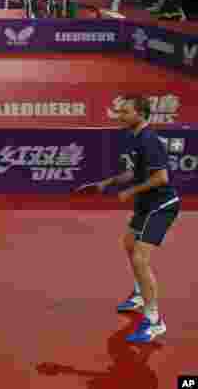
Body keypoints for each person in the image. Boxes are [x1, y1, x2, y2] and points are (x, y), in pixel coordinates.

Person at [76, 95, 179, 343]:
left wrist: (129, 192)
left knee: (140, 258)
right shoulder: (135, 138)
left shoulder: (148, 139)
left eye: (125, 112)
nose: (120, 116)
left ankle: (154, 321)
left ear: (141, 115)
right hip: (146, 205)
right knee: (129, 244)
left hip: (161, 206)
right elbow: (135, 172)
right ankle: (139, 294)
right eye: (119, 111)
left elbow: (162, 178)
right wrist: (106, 184)